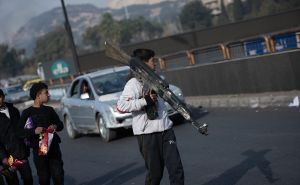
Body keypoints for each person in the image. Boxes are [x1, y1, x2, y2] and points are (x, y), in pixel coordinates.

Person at [117, 49, 184, 185]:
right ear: (143, 64)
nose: (156, 63)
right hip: (147, 135)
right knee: (155, 174)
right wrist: (144, 101)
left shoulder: (157, 80)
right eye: (153, 61)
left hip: (166, 131)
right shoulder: (133, 84)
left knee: (176, 169)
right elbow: (121, 106)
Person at [17, 82, 64, 185]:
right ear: (38, 96)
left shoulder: (49, 110)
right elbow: (19, 132)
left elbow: (60, 125)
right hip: (39, 150)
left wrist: (55, 126)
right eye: (46, 92)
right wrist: (34, 131)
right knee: (44, 178)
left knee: (58, 175)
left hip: (53, 147)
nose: (48, 94)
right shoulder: (27, 112)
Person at [0, 89, 33, 185]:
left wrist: (26, 148)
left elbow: (22, 130)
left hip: (21, 153)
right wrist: (3, 158)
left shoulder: (14, 110)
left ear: (3, 97)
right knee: (12, 182)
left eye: (0, 97)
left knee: (28, 179)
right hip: (7, 157)